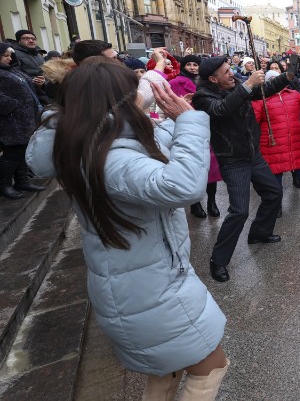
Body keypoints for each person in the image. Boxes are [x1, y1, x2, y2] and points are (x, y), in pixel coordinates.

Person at [25, 57, 229, 399]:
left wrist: (169, 122)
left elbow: (138, 147)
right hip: (151, 291)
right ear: (120, 99)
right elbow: (183, 185)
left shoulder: (85, 141)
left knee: (168, 369)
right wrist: (191, 123)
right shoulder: (111, 159)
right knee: (212, 366)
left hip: (136, 284)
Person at [192, 56, 297, 283]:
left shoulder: (236, 85)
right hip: (233, 160)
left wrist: (286, 77)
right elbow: (221, 110)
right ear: (212, 78)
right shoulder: (203, 96)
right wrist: (249, 84)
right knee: (239, 211)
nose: (232, 74)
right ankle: (218, 261)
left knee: (274, 192)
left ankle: (259, 233)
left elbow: (262, 90)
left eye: (231, 69)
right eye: (226, 72)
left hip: (252, 154)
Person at [252, 70, 300, 211]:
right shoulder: (261, 98)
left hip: (295, 141)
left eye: (278, 78)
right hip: (272, 145)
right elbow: (252, 121)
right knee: (275, 177)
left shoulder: (294, 94)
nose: (276, 82)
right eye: (272, 79)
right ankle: (277, 204)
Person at [169, 54, 222, 220]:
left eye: (195, 64)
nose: (192, 67)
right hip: (188, 128)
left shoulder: (208, 82)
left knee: (211, 169)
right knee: (193, 167)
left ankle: (212, 202)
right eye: (189, 64)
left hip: (208, 127)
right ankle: (195, 204)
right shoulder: (175, 83)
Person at [0, 45, 45, 198]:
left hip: (24, 119)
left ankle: (22, 181)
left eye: (9, 55)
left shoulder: (11, 70)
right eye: (5, 55)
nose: (9, 58)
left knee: (23, 149)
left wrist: (37, 83)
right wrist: (12, 106)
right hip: (10, 120)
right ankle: (4, 185)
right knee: (12, 152)